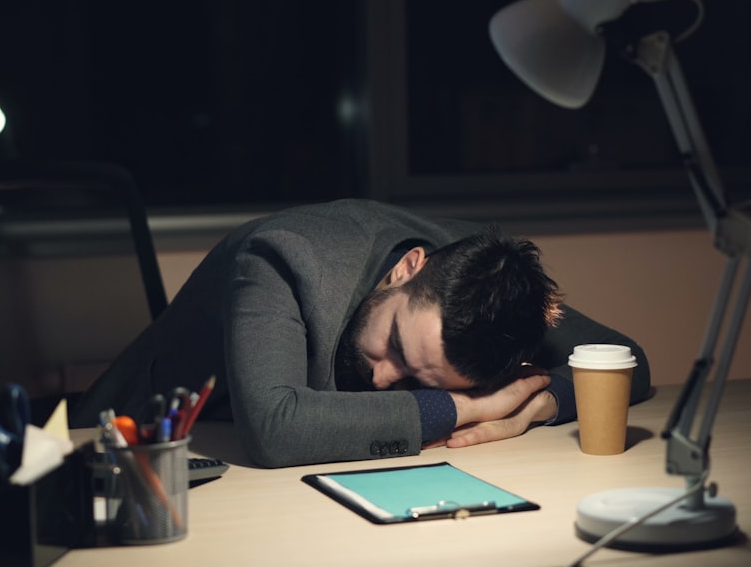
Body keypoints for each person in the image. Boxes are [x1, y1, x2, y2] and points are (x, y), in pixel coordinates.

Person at [71, 199, 650, 467]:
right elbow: (276, 430)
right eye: (396, 347)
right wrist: (469, 407)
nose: (382, 377)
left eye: (423, 380)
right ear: (408, 269)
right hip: (137, 453)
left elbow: (630, 361)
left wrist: (536, 406)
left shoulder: (489, 282)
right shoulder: (283, 256)